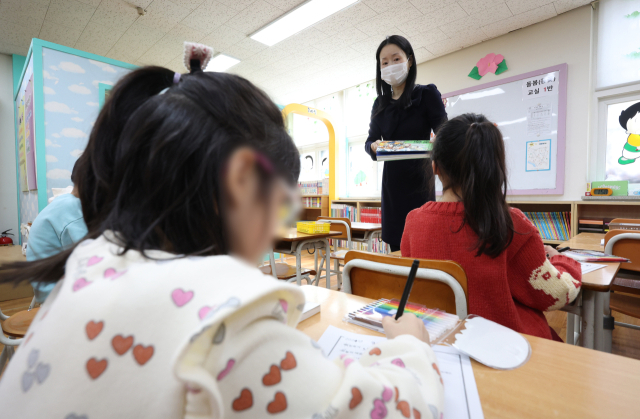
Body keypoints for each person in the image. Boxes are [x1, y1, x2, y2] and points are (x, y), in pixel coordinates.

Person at [0, 44, 444, 419]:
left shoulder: (88, 267)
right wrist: (409, 345)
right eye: (282, 201)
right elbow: (407, 407)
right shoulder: (235, 332)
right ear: (244, 181)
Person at [401, 113, 582, 341]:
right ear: (494, 166)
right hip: (511, 351)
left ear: (435, 167)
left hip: (442, 343)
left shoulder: (413, 221)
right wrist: (563, 261)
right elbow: (556, 295)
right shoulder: (511, 223)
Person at [365, 35, 447, 252]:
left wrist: (439, 141)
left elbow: (444, 131)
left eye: (396, 59)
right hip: (392, 187)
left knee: (422, 247)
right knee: (397, 250)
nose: (390, 66)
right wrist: (373, 146)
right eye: (384, 63)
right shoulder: (379, 104)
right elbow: (370, 140)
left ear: (409, 61)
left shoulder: (427, 94)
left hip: (420, 183)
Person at [26, 161, 88, 303]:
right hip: (57, 297)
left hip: (46, 289)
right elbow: (92, 253)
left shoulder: (64, 201)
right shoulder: (74, 210)